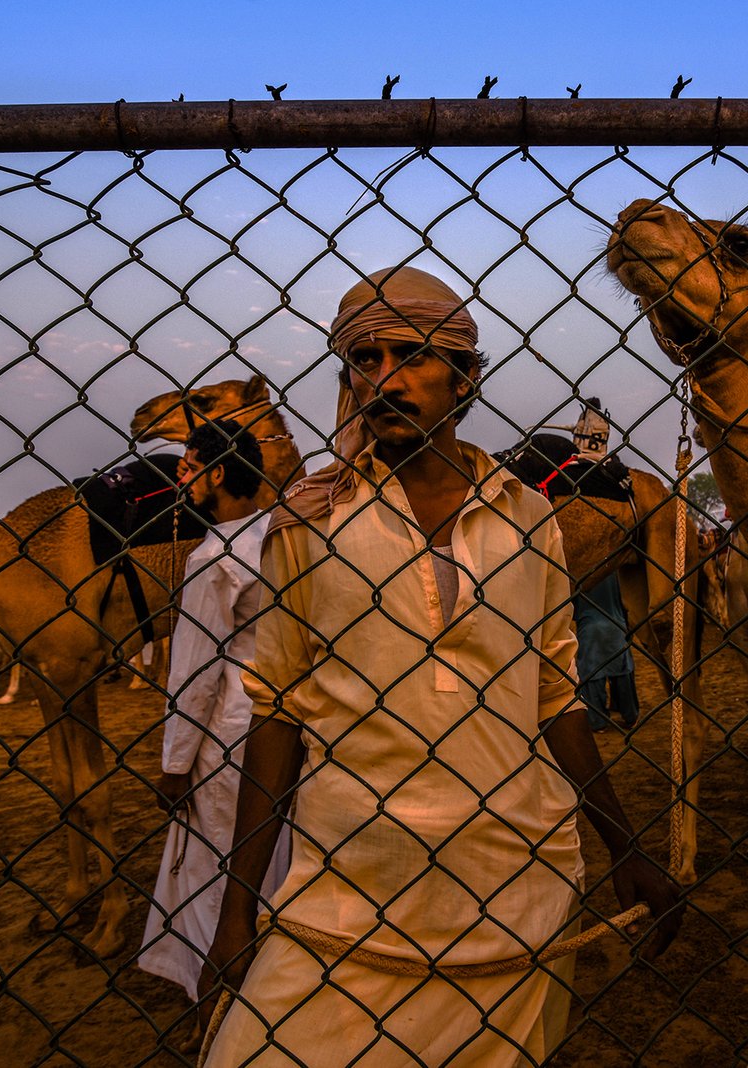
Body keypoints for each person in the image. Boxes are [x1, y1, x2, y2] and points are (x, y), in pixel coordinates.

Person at [203, 266, 682, 1066]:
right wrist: (236, 910)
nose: (385, 380)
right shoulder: (307, 525)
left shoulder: (528, 516)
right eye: (364, 360)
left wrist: (624, 848)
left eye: (412, 356)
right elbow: (278, 709)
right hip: (346, 891)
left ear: (465, 378)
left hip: (518, 881)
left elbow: (555, 695)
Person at [138, 418, 290, 1001]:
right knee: (273, 858)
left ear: (217, 474)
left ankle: (221, 995)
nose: (181, 481)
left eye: (187, 469)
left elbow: (194, 672)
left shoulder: (213, 559)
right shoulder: (282, 536)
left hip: (227, 733)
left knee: (214, 870)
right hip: (286, 724)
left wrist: (175, 765)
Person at [573, 573, 641, 732]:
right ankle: (630, 716)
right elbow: (627, 600)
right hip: (616, 625)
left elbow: (572, 608)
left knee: (592, 675)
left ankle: (598, 722)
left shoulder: (578, 573)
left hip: (589, 628)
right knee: (622, 672)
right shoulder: (613, 571)